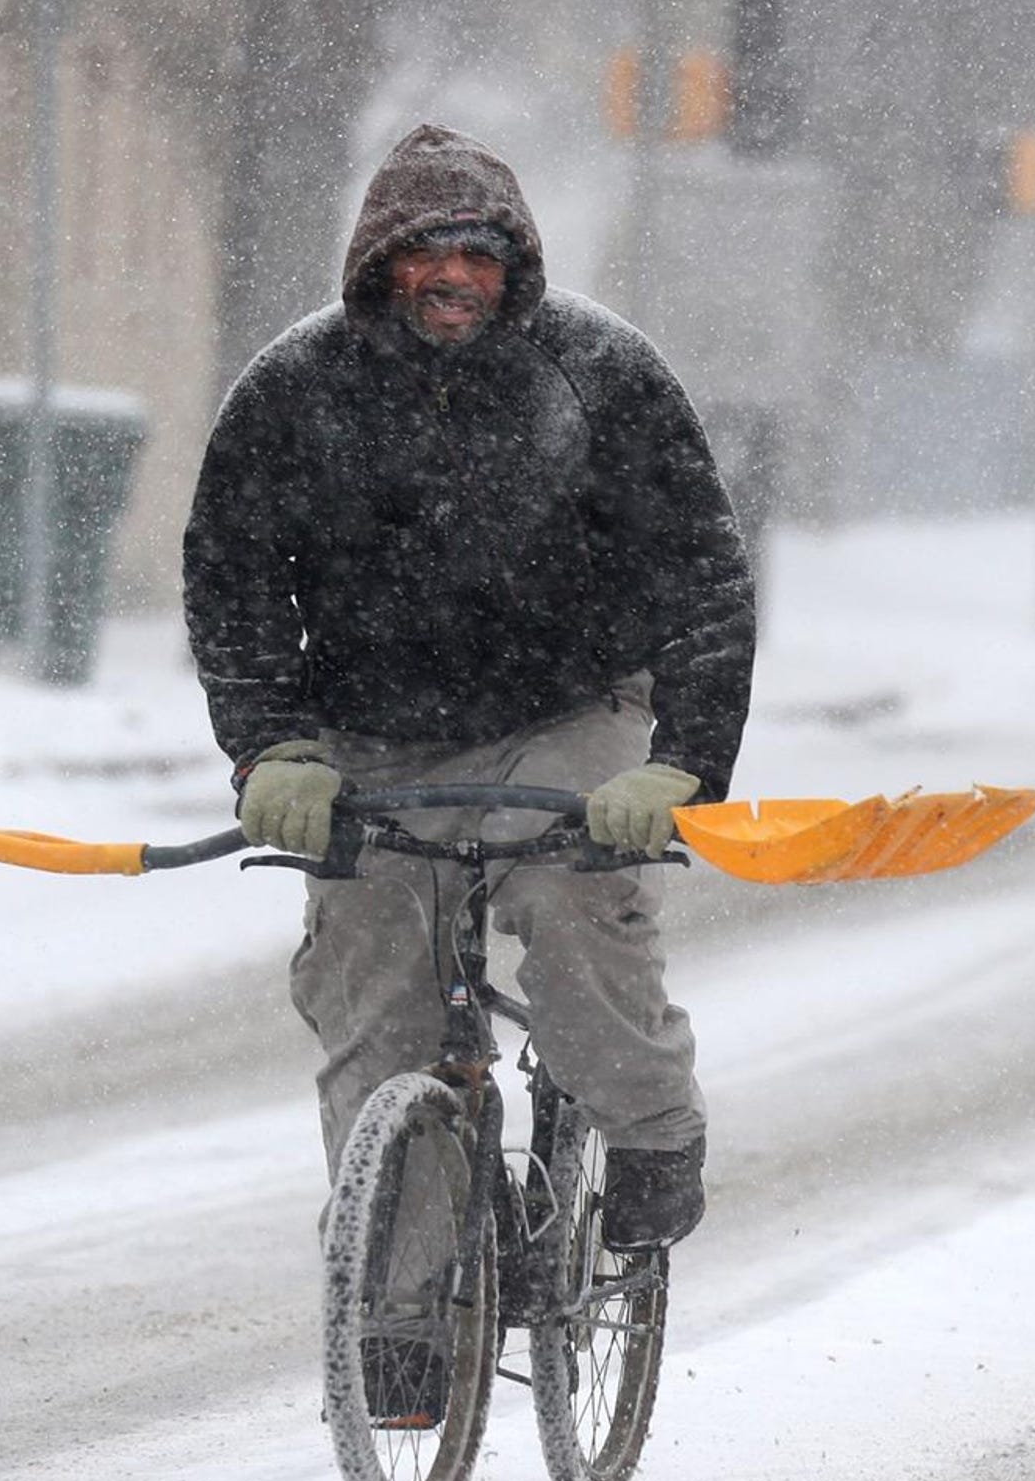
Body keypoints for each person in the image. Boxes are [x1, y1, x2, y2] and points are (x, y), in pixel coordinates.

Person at [183, 124, 755, 1285]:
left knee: (573, 893)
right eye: (425, 252)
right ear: (376, 264)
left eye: (481, 252)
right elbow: (232, 581)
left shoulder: (602, 375)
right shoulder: (294, 393)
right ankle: (398, 1316)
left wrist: (679, 763)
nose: (454, 275)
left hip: (568, 707)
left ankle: (649, 1132)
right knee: (369, 985)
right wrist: (272, 749)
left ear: (517, 263)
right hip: (369, 736)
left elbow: (702, 573)